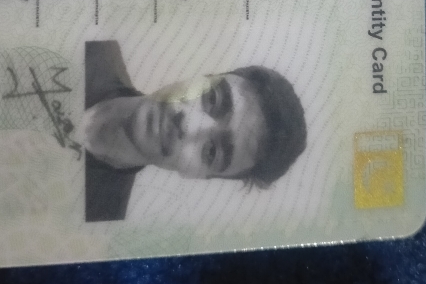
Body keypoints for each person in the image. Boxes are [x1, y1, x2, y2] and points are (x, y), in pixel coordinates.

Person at [84, 41, 307, 222]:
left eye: (211, 152)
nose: (188, 124)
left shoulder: (98, 218)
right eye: (211, 99)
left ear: (198, 176)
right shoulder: (90, 49)